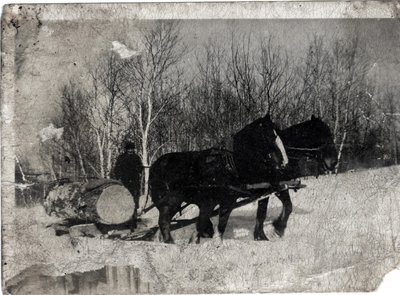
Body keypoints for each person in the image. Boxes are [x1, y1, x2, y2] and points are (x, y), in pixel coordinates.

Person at [112, 141, 143, 227]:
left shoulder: (136, 157)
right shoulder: (121, 158)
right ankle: (124, 219)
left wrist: (139, 169)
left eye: (132, 149)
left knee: (134, 201)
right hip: (125, 182)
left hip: (134, 183)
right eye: (129, 149)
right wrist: (118, 179)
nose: (131, 151)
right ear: (126, 150)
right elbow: (116, 169)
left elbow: (140, 169)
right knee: (125, 200)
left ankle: (133, 219)